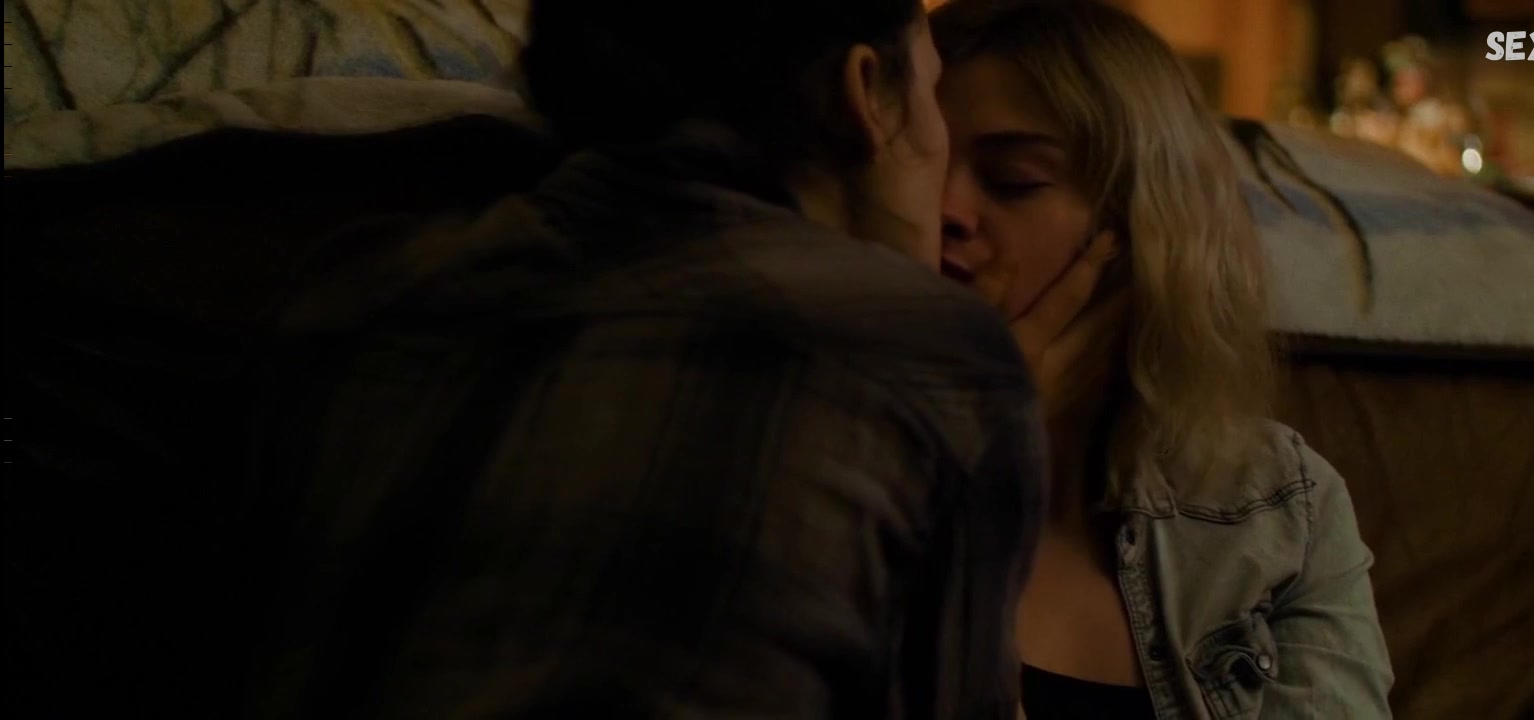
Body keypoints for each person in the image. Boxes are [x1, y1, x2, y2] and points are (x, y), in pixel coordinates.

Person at [213, 1, 1102, 717]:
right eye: (932, 95)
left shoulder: (355, 293)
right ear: (865, 93)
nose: (949, 204)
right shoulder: (925, 358)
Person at [929, 0, 1396, 717]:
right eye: (922, 169)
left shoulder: (1280, 510)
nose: (945, 210)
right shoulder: (827, 472)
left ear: (1134, 226)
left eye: (1013, 178)